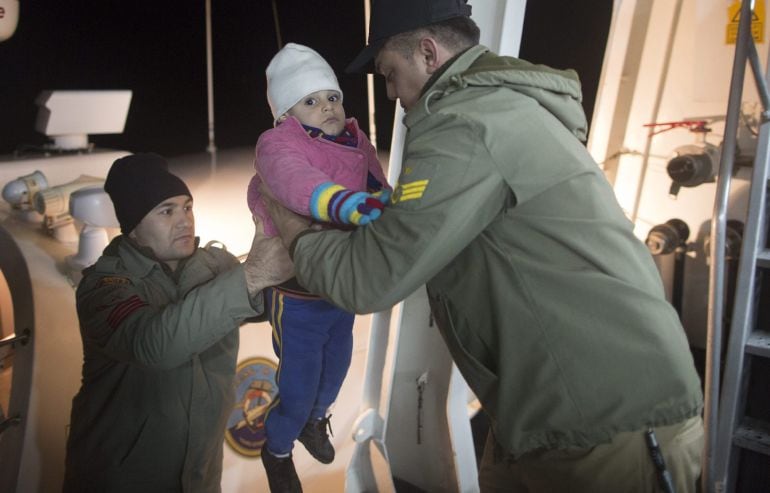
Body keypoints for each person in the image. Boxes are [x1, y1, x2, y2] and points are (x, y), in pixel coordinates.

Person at [260, 1, 705, 492]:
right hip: (548, 413)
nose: (391, 93)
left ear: (428, 54)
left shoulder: (466, 123)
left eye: (390, 73)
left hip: (606, 422)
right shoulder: (497, 105)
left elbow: (367, 279)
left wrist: (289, 221)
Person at [62, 153, 293, 493]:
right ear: (134, 225)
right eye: (166, 211)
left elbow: (271, 301)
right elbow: (154, 345)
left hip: (199, 479)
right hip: (119, 481)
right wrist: (251, 276)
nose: (185, 221)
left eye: (187, 207)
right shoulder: (104, 286)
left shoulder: (215, 265)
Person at [246, 42, 391, 493]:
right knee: (299, 380)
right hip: (296, 292)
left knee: (337, 369)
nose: (327, 107)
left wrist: (388, 203)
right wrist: (343, 203)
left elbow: (375, 181)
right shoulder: (278, 143)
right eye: (310, 101)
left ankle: (315, 421)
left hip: (337, 285)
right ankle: (277, 449)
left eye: (332, 97)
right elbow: (295, 180)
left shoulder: (352, 138)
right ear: (286, 113)